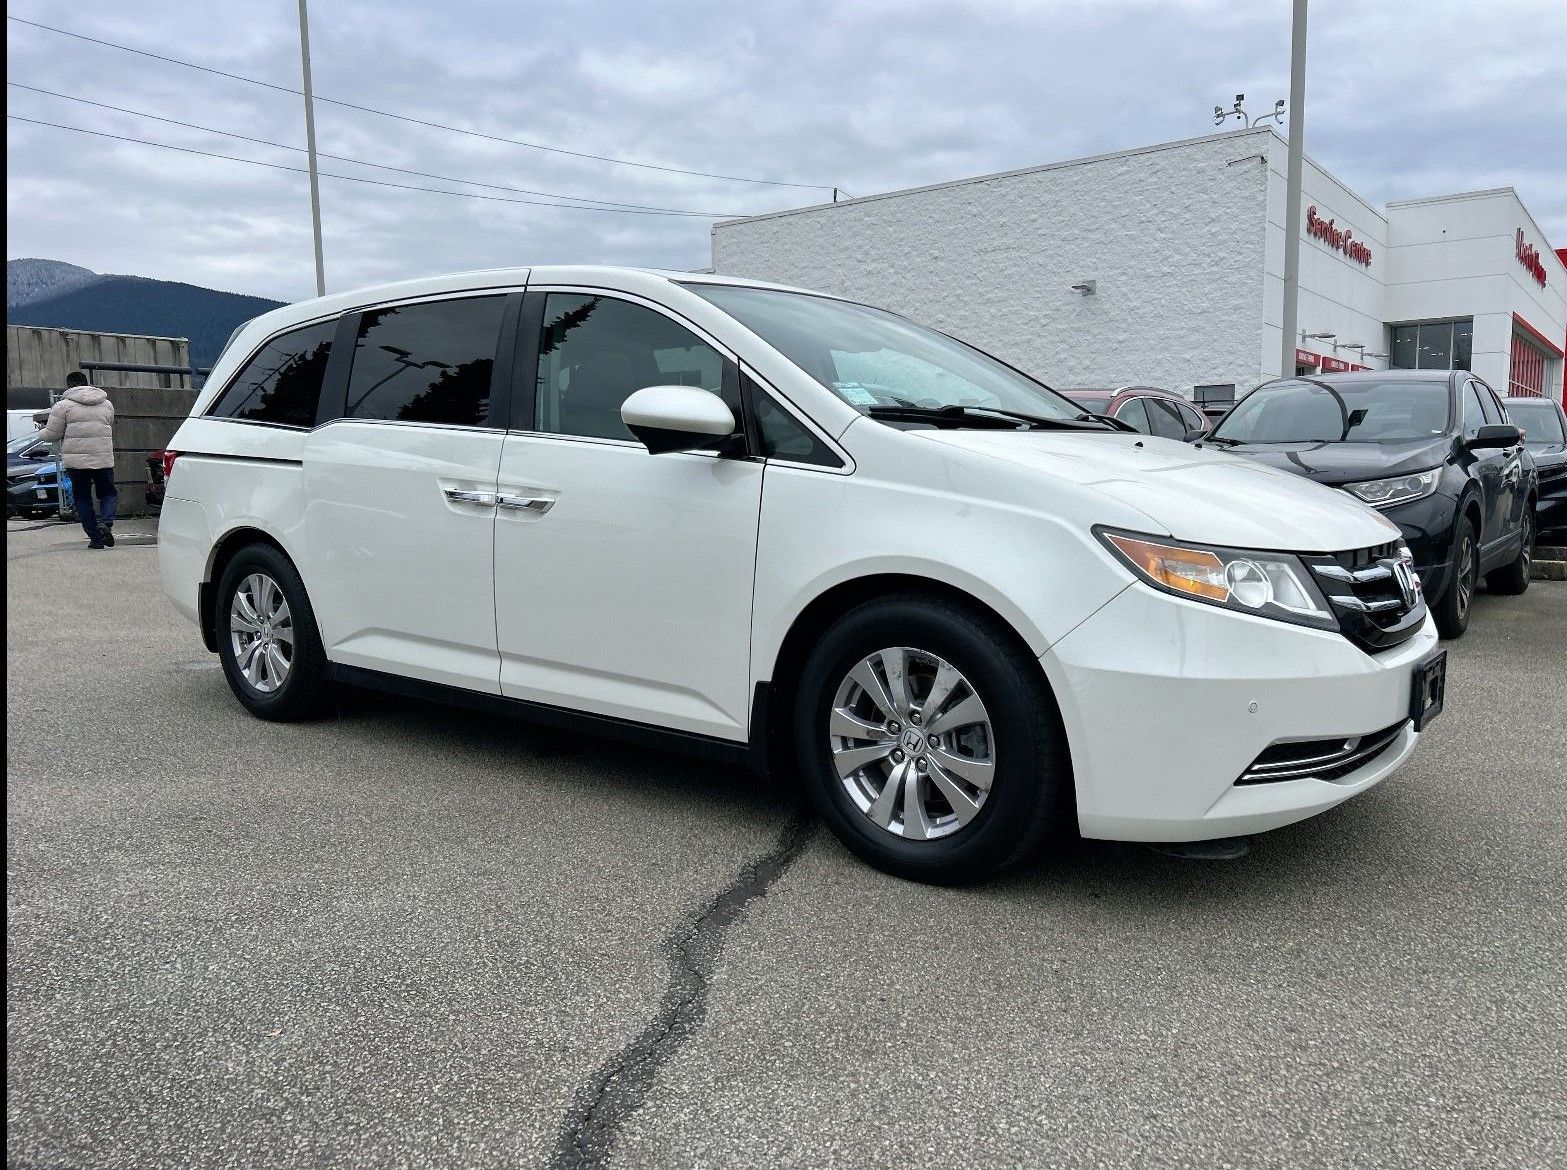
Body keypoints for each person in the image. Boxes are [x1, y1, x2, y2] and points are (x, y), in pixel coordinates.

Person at [35, 371, 118, 549]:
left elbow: (52, 435)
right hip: (102, 457)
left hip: (77, 462)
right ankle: (106, 524)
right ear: (87, 383)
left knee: (82, 498)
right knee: (108, 494)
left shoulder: (63, 406)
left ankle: (96, 539)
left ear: (69, 385)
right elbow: (108, 424)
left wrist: (40, 430)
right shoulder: (107, 404)